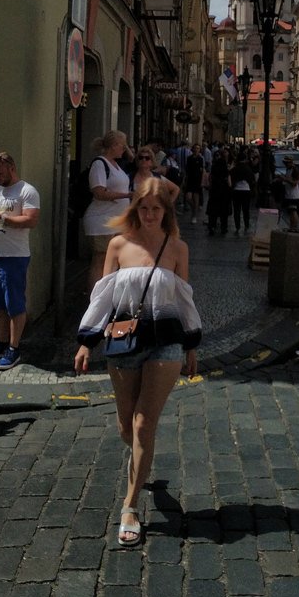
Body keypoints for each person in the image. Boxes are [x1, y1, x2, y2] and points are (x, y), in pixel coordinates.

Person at [74, 179, 201, 548]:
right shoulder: (118, 245)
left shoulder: (177, 248)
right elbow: (102, 298)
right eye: (143, 208)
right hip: (124, 341)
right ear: (135, 210)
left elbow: (184, 299)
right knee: (126, 426)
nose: (149, 215)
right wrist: (86, 341)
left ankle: (129, 507)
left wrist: (192, 346)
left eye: (156, 209)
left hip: (166, 343)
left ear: (166, 211)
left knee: (144, 424)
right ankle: (141, 461)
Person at [0, 152, 40, 370]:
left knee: (14, 304)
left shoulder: (27, 191)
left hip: (14, 256)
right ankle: (1, 342)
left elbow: (31, 220)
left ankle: (14, 347)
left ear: (11, 167)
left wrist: (1, 218)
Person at [83, 131, 134, 294]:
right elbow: (99, 192)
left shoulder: (116, 164)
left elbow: (132, 159)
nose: (124, 149)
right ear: (113, 146)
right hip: (102, 221)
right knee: (100, 259)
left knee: (115, 259)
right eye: (122, 145)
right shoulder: (100, 164)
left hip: (117, 220)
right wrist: (126, 195)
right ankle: (95, 297)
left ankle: (108, 294)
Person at [230, 147, 256, 235]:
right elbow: (252, 180)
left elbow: (231, 178)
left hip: (236, 191)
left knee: (237, 210)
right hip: (246, 190)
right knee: (246, 209)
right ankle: (246, 225)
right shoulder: (248, 169)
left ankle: (237, 226)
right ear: (245, 159)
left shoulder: (235, 169)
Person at [206, 149, 232, 234]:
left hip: (215, 189)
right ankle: (223, 227)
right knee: (224, 210)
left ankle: (212, 226)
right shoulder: (225, 167)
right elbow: (228, 180)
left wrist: (210, 186)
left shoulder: (214, 166)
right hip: (224, 189)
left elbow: (210, 177)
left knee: (213, 210)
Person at [277, 155, 299, 231]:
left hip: (293, 195)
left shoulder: (295, 170)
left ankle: (295, 227)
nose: (285, 164)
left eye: (286, 163)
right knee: (291, 211)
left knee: (293, 211)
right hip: (289, 194)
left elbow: (295, 183)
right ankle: (292, 227)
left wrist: (285, 179)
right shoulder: (288, 170)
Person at [183, 143, 205, 224]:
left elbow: (203, 171)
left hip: (197, 180)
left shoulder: (201, 159)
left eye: (198, 148)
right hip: (190, 180)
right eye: (195, 148)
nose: (196, 150)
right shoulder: (189, 158)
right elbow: (187, 170)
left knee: (196, 199)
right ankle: (194, 209)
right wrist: (185, 179)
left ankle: (194, 216)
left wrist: (202, 181)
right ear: (193, 149)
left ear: (199, 150)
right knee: (188, 197)